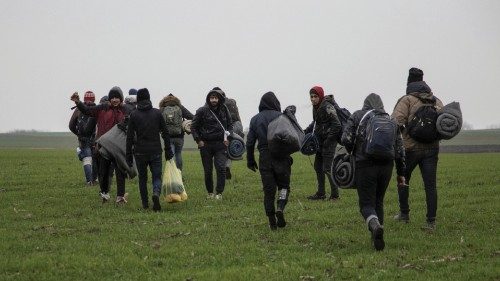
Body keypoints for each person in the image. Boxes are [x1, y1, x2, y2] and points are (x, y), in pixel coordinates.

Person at [341, 93, 406, 251]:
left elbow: (346, 139)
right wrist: (401, 173)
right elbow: (400, 150)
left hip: (365, 164)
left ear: (365, 104)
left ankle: (375, 226)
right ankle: (376, 238)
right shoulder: (391, 120)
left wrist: (352, 152)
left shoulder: (357, 116)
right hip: (386, 166)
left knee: (366, 204)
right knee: (378, 201)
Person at [392, 67, 443, 231]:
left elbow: (395, 122)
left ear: (409, 83)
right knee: (430, 185)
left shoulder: (406, 100)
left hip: (410, 149)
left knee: (402, 178)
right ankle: (431, 221)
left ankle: (404, 214)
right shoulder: (435, 100)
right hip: (432, 149)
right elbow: (444, 123)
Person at [71, 86, 131, 203]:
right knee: (103, 172)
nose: (114, 100)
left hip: (119, 147)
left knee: (120, 172)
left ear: (121, 99)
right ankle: (104, 194)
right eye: (112, 97)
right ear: (109, 99)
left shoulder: (126, 110)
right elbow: (87, 111)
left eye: (117, 97)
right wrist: (78, 102)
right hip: (103, 146)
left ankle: (120, 197)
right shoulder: (102, 108)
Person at [247, 92, 293, 230]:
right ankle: (280, 207)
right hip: (282, 156)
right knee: (284, 186)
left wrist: (250, 160)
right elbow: (290, 138)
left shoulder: (255, 119)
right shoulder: (282, 117)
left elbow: (249, 143)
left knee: (268, 191)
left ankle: (272, 221)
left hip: (265, 157)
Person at [126, 88, 173, 211]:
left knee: (142, 178)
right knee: (156, 177)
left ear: (138, 100)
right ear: (149, 98)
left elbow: (129, 137)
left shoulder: (134, 114)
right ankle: (156, 194)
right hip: (156, 151)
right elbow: (166, 133)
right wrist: (168, 149)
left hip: (140, 151)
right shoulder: (157, 113)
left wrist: (128, 155)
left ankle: (145, 204)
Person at [191, 88, 233, 200]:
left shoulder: (224, 110)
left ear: (219, 99)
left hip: (220, 144)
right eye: (212, 97)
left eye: (216, 98)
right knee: (208, 170)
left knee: (221, 168)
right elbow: (193, 127)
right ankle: (210, 192)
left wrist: (228, 137)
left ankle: (219, 193)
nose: (214, 100)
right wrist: (198, 140)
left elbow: (230, 126)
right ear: (208, 99)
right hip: (206, 144)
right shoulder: (201, 111)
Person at [304, 86, 342, 201]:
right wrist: (305, 131)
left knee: (327, 168)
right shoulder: (316, 107)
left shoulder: (327, 106)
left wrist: (329, 140)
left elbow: (337, 124)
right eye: (311, 96)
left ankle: (335, 195)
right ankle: (321, 194)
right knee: (317, 166)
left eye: (315, 96)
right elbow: (316, 122)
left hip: (329, 142)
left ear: (320, 96)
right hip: (320, 142)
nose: (313, 99)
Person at [159, 93, 194, 171]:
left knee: (171, 155)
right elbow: (192, 117)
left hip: (167, 136)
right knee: (178, 154)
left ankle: (172, 175)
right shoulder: (180, 107)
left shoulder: (162, 108)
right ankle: (179, 174)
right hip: (179, 136)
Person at [69, 91, 98, 186]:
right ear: (94, 99)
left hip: (83, 139)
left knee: (87, 159)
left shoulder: (78, 109)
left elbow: (71, 125)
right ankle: (94, 180)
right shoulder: (97, 109)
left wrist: (78, 134)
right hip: (95, 139)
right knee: (94, 159)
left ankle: (89, 181)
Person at [216, 87, 242, 180]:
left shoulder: (214, 103)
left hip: (222, 129)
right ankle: (227, 166)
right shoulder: (232, 102)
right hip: (235, 128)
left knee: (220, 150)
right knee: (230, 149)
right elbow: (238, 117)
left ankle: (222, 169)